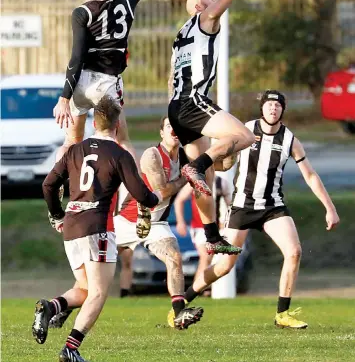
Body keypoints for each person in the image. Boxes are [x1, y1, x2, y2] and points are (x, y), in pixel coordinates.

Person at [182, 90, 340, 329]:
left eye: (277, 105)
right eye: (269, 104)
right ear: (262, 108)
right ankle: (182, 300)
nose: (273, 109)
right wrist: (221, 161)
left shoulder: (289, 139)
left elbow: (310, 175)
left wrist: (330, 208)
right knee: (224, 266)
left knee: (294, 251)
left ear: (283, 110)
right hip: (242, 206)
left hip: (272, 206)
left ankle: (282, 314)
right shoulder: (245, 130)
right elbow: (220, 158)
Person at [32, 96, 161, 362]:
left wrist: (57, 214)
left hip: (71, 224)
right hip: (97, 227)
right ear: (117, 125)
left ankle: (50, 306)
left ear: (94, 121)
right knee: (99, 293)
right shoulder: (118, 154)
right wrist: (155, 199)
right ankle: (71, 348)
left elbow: (47, 185)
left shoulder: (74, 150)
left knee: (84, 288)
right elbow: (139, 192)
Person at [53, 0, 190, 163]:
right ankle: (133, 195)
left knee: (71, 141)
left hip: (82, 82)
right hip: (108, 84)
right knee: (121, 140)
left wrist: (64, 97)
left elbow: (77, 57)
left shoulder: (81, 12)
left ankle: (58, 189)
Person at [168, 0, 273, 255]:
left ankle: (212, 235)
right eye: (211, 0)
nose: (217, 3)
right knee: (243, 136)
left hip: (177, 107)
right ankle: (196, 166)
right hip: (193, 100)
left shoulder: (181, 34)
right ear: (202, 7)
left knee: (208, 178)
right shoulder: (205, 20)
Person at [114, 116, 204, 329]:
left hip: (156, 224)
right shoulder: (152, 155)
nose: (173, 130)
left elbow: (216, 163)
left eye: (176, 127)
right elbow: (161, 191)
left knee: (174, 257)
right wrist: (186, 177)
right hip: (128, 220)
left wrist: (231, 150)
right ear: (161, 133)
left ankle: (179, 312)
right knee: (95, 271)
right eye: (168, 126)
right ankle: (61, 308)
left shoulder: (184, 157)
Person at [174, 175, 233, 289]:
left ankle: (201, 289)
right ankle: (196, 290)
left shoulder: (221, 183)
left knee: (210, 259)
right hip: (199, 227)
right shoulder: (195, 181)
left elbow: (230, 206)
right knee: (206, 257)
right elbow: (179, 200)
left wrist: (225, 221)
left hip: (216, 228)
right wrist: (180, 222)